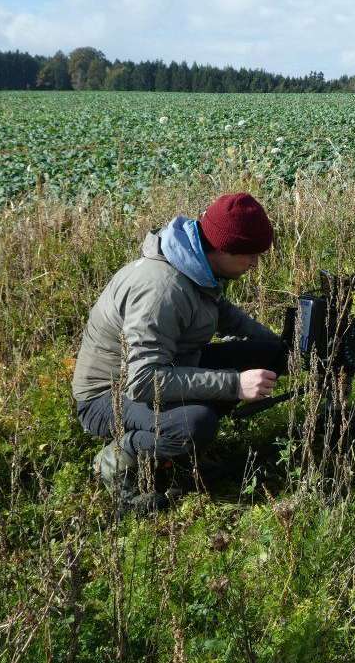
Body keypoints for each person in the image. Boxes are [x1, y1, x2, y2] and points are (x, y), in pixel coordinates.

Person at [72, 192, 287, 514]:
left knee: (269, 353)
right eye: (250, 255)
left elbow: (227, 315)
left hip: (171, 366)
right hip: (109, 395)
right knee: (193, 424)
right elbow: (142, 382)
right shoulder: (161, 290)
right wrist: (233, 385)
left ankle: (183, 458)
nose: (255, 264)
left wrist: (279, 348)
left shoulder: (195, 267)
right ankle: (117, 460)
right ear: (222, 247)